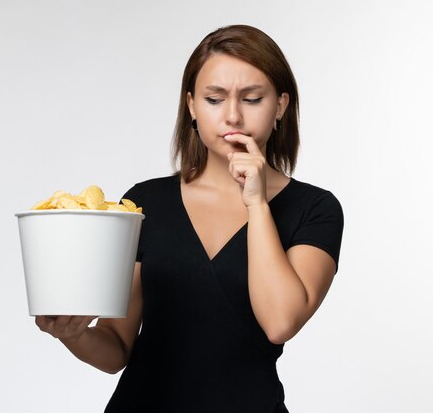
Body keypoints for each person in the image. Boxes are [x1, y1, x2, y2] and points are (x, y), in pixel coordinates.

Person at [35, 24, 344, 412]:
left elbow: (280, 321)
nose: (232, 116)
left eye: (251, 98)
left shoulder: (315, 209)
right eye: (214, 99)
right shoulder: (144, 202)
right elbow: (115, 347)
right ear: (192, 106)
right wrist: (72, 333)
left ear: (280, 105)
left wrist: (258, 204)